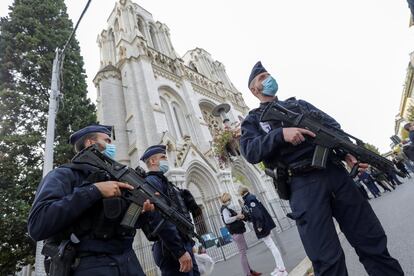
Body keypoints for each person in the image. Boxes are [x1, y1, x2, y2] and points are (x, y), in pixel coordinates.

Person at [239, 61, 404, 276]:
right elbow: (250, 151)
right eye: (262, 78)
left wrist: (348, 154)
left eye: (269, 75)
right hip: (302, 185)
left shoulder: (300, 105)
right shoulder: (253, 120)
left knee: (372, 241)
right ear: (254, 90)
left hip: (335, 174)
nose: (269, 80)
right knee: (327, 261)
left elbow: (333, 128)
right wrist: (280, 135)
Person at [27, 124, 154, 276]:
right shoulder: (63, 175)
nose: (112, 146)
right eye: (107, 141)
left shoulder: (113, 179)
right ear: (91, 143)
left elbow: (121, 223)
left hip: (128, 261)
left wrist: (141, 211)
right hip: (88, 264)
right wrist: (95, 190)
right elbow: (37, 224)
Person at [140, 145, 200, 276]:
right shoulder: (151, 182)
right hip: (169, 248)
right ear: (152, 161)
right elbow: (160, 220)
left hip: (180, 243)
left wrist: (188, 243)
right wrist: (179, 251)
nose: (166, 159)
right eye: (163, 157)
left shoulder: (163, 181)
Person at [238, 186, 287, 276]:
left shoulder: (249, 199)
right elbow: (252, 213)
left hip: (261, 225)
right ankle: (279, 266)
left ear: (241, 193)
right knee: (271, 245)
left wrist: (259, 226)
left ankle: (282, 269)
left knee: (272, 246)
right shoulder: (249, 198)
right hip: (261, 224)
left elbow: (258, 214)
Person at [219, 192, 262, 276]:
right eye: (229, 199)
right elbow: (227, 220)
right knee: (243, 254)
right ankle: (247, 273)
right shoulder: (224, 209)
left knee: (243, 253)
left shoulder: (226, 208)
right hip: (236, 233)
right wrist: (237, 217)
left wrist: (239, 215)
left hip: (238, 232)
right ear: (226, 199)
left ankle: (250, 271)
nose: (230, 201)